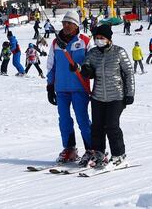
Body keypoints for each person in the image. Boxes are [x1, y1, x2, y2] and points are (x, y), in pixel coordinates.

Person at [71, 23, 135, 168]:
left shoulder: (119, 52)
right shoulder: (93, 53)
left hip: (116, 96)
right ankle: (99, 153)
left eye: (102, 38)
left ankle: (119, 154)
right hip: (98, 96)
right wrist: (80, 68)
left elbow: (128, 73)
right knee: (97, 127)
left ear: (109, 39)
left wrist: (129, 94)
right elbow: (88, 70)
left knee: (112, 126)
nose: (99, 40)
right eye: (97, 37)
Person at [46, 9, 93, 165]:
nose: (66, 25)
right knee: (64, 120)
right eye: (64, 23)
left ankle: (91, 149)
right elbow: (51, 66)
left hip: (80, 87)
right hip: (61, 89)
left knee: (83, 120)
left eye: (69, 23)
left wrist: (82, 68)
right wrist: (50, 86)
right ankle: (69, 148)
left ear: (76, 25)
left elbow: (93, 64)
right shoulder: (55, 43)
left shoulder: (86, 41)